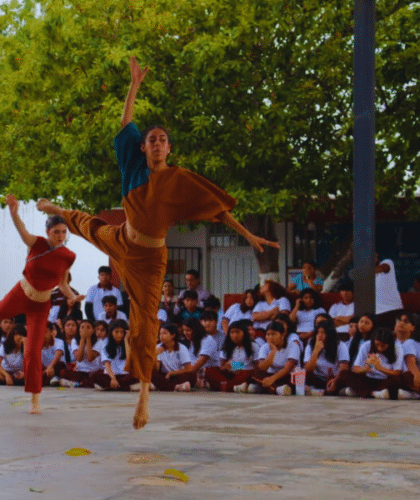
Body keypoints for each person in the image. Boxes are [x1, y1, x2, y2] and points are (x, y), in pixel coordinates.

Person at [37, 56, 277, 427]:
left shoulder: (178, 180)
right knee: (87, 224)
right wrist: (134, 85)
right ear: (145, 148)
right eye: (152, 140)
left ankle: (145, 392)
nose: (158, 144)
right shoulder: (133, 168)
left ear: (169, 148)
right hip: (121, 241)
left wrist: (247, 234)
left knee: (146, 320)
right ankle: (56, 208)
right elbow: (126, 123)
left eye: (163, 140)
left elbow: (216, 209)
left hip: (150, 259)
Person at [0, 194, 82, 413]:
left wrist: (72, 298)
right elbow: (22, 230)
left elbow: (63, 283)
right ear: (48, 232)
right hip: (22, 292)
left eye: (63, 232)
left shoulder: (69, 255)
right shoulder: (35, 243)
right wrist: (14, 212)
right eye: (56, 231)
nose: (60, 235)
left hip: (41, 304)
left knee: (33, 351)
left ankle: (34, 399)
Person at [205, 320, 257, 393]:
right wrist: (227, 367)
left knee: (247, 374)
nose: (234, 335)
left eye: (237, 332)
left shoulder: (253, 346)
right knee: (210, 370)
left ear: (244, 333)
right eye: (232, 332)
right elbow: (222, 366)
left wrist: (234, 366)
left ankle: (225, 386)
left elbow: (255, 367)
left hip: (245, 373)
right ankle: (231, 387)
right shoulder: (227, 346)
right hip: (231, 374)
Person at [251, 322, 300, 395]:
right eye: (268, 334)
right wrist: (273, 352)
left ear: (282, 335)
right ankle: (278, 389)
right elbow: (263, 367)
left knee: (297, 379)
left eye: (273, 334)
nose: (270, 337)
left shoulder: (293, 346)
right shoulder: (264, 347)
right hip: (270, 375)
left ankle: (267, 388)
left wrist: (272, 379)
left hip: (286, 376)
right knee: (254, 373)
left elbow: (288, 368)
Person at [303, 320, 349, 396]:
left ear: (330, 333)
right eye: (318, 332)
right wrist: (316, 351)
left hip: (335, 379)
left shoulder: (340, 345)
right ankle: (321, 391)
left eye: (323, 332)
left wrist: (335, 381)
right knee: (304, 375)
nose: (319, 335)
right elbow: (308, 369)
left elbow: (344, 368)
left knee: (346, 376)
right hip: (318, 379)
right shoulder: (310, 345)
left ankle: (317, 391)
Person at [152, 323, 195, 392]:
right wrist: (155, 355)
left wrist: (171, 373)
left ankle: (167, 386)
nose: (161, 336)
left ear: (173, 335)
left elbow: (188, 368)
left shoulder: (181, 348)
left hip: (178, 374)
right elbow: (156, 369)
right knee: (153, 375)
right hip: (165, 376)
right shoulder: (158, 348)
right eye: (160, 334)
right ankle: (176, 387)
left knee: (191, 374)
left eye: (164, 333)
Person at [375, 255, 404, 328]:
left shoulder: (387, 262)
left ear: (377, 255)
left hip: (393, 309)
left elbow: (383, 268)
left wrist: (362, 271)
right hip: (377, 313)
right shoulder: (365, 275)